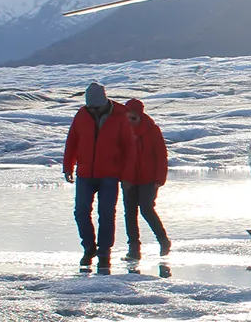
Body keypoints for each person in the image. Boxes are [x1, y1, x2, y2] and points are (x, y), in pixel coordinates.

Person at [62, 82, 136, 269]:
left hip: (109, 175)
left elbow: (129, 148)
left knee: (106, 214)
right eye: (90, 106)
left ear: (104, 101)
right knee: (80, 212)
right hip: (85, 173)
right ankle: (89, 247)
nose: (93, 110)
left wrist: (127, 176)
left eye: (96, 106)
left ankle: (104, 252)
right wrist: (68, 166)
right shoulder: (82, 114)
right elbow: (72, 141)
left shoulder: (120, 116)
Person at [121, 98, 171, 259]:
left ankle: (163, 240)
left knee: (146, 209)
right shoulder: (121, 130)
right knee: (129, 213)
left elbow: (161, 155)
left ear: (140, 115)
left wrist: (159, 179)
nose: (130, 120)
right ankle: (134, 248)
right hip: (129, 179)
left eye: (133, 117)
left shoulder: (152, 130)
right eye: (128, 116)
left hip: (149, 179)